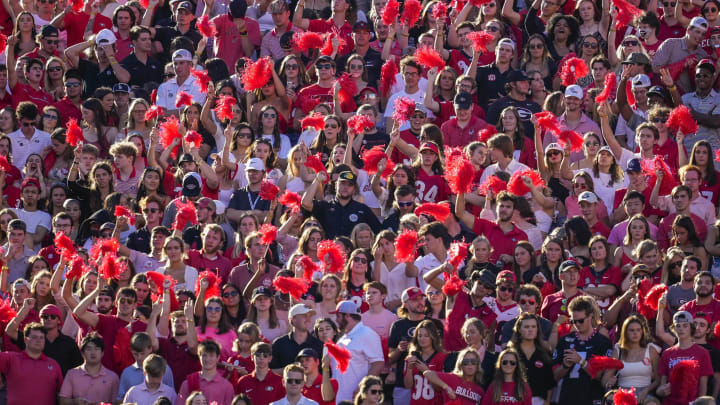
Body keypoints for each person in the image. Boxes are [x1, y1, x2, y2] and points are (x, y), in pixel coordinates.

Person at [553, 295, 612, 405]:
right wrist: (565, 366)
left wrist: (581, 362)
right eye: (574, 321)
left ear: (590, 316)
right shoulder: (564, 341)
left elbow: (600, 376)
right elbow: (555, 376)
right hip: (568, 398)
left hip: (592, 397)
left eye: (580, 321)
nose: (577, 325)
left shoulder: (602, 342)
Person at [330, 300, 384, 402]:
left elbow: (378, 363)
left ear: (347, 316)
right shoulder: (343, 337)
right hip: (340, 398)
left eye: (338, 316)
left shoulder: (367, 334)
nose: (336, 320)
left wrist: (362, 388)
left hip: (357, 399)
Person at [301, 170, 381, 239]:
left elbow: (379, 231)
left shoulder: (362, 209)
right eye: (342, 183)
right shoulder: (325, 206)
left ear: (354, 189)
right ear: (335, 185)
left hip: (353, 255)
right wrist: (317, 180)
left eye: (350, 185)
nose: (345, 187)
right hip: (328, 254)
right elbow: (305, 202)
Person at [657, 311, 714, 405]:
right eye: (678, 326)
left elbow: (703, 386)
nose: (681, 329)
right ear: (674, 328)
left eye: (685, 326)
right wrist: (661, 391)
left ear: (691, 328)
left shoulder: (703, 353)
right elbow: (661, 386)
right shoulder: (667, 353)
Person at [0, 323, 64, 405]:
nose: (38, 340)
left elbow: (61, 394)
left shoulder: (54, 364)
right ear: (25, 340)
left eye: (41, 338)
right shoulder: (11, 358)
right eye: (34, 337)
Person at [59, 332, 120, 405]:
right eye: (89, 349)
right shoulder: (72, 374)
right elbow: (62, 401)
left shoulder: (112, 377)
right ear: (82, 353)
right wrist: (76, 401)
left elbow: (117, 403)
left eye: (96, 349)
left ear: (102, 353)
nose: (93, 352)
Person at [270, 304, 323, 372]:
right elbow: (271, 372)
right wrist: (290, 370)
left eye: (310, 316)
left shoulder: (319, 345)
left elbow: (323, 372)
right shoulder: (279, 344)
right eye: (304, 316)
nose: (308, 319)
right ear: (293, 319)